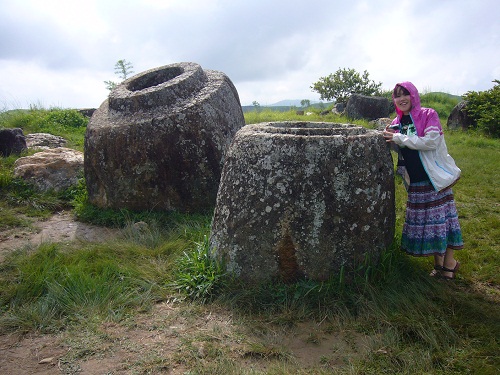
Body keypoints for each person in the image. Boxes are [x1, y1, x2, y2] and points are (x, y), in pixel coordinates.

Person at [383, 81, 463, 279]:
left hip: (434, 179)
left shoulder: (428, 115)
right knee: (430, 225)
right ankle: (439, 265)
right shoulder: (398, 121)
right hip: (416, 181)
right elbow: (403, 148)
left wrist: (399, 138)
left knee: (445, 222)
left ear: (413, 95)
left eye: (405, 94)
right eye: (397, 95)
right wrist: (392, 138)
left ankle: (450, 264)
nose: (401, 99)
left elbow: (431, 142)